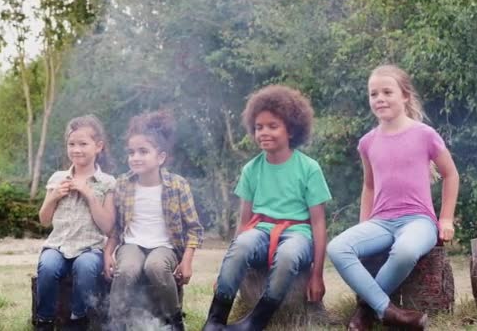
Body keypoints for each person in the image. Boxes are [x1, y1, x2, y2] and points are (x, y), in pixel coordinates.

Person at [326, 65, 460, 330]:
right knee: (337, 248)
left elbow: (451, 175)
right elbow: (369, 186)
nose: (380, 98)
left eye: (387, 92)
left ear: (405, 96)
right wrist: (363, 223)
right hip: (381, 222)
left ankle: (365, 310)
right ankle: (389, 313)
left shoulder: (425, 134)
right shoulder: (367, 142)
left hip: (418, 221)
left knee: (405, 250)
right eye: (373, 93)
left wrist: (445, 219)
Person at [202, 85, 332, 331]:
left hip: (298, 234)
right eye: (259, 127)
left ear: (291, 129)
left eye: (273, 126)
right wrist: (227, 273)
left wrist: (317, 274)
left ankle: (255, 321)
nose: (264, 132)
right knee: (242, 245)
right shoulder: (251, 169)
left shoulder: (309, 168)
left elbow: (318, 223)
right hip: (261, 230)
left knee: (288, 255)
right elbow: (243, 222)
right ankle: (215, 319)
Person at [105, 110, 203, 331]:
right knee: (128, 269)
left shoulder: (178, 185)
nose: (135, 157)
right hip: (131, 244)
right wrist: (107, 252)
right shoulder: (123, 184)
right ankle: (116, 322)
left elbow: (194, 229)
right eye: (131, 152)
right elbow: (116, 227)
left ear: (160, 157)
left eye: (143, 151)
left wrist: (186, 260)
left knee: (156, 267)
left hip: (164, 246)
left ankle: (174, 320)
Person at [35, 115, 116, 331]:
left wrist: (89, 194)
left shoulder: (107, 182)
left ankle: (78, 320)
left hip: (91, 247)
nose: (76, 149)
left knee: (86, 267)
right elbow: (43, 220)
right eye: (72, 144)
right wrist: (54, 196)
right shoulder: (57, 178)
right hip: (58, 245)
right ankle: (44, 320)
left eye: (83, 144)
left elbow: (108, 227)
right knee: (48, 267)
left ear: (98, 146)